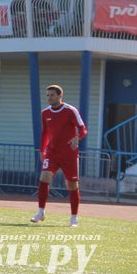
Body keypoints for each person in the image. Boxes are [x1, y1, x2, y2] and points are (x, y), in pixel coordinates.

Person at [31, 85, 87, 227]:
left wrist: (77, 138)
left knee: (72, 185)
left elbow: (83, 129)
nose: (49, 98)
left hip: (69, 153)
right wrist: (42, 149)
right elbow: (45, 133)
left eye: (52, 95)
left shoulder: (70, 110)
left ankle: (74, 218)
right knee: (44, 177)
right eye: (48, 95)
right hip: (52, 152)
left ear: (60, 96)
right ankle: (41, 211)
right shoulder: (45, 113)